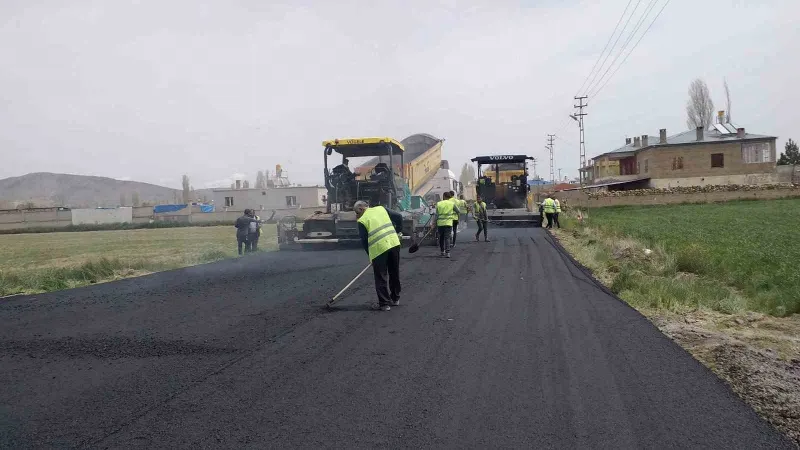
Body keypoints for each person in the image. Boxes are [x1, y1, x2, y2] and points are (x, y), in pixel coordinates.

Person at [354, 200, 403, 312]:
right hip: (393, 243)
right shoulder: (382, 209)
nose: (356, 215)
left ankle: (384, 304)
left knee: (381, 276)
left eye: (357, 213)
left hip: (379, 249)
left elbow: (365, 242)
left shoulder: (362, 220)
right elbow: (399, 216)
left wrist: (370, 256)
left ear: (361, 209)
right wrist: (398, 231)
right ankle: (395, 299)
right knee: (394, 272)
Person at [433, 191, 456, 258]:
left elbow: (436, 215)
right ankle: (448, 253)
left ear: (443, 196)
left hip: (440, 224)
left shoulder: (439, 204)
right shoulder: (452, 204)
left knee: (441, 238)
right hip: (448, 223)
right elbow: (458, 211)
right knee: (447, 238)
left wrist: (433, 223)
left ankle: (442, 251)